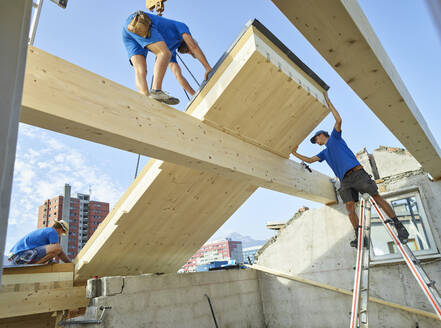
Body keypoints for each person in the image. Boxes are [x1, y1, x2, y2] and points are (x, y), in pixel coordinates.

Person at [291, 93, 409, 248]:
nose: (316, 142)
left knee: (377, 198)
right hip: (345, 181)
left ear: (321, 135)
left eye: (316, 139)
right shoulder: (324, 153)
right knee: (349, 207)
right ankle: (359, 236)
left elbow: (338, 120)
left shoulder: (335, 138)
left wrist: (328, 101)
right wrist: (294, 152)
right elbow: (310, 160)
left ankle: (399, 225)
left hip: (357, 173)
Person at [122, 11, 212, 105]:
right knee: (163, 53)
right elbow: (193, 46)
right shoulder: (181, 26)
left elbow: (178, 76)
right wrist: (207, 68)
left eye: (189, 54)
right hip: (140, 20)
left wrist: (195, 96)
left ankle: (144, 99)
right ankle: (156, 91)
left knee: (141, 69)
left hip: (129, 31)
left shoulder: (171, 50)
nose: (189, 52)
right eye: (190, 51)